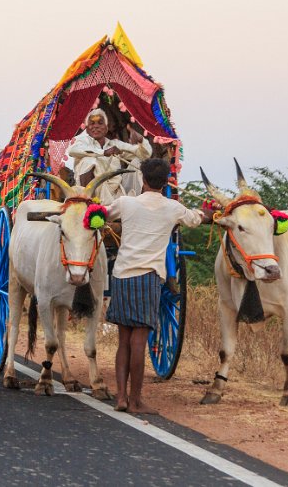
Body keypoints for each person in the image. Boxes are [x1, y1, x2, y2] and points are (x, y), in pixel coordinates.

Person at [104, 158, 206, 415]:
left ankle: (121, 398)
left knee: (123, 340)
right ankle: (136, 401)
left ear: (142, 179)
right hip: (148, 278)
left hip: (122, 276)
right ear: (166, 182)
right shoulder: (173, 208)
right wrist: (207, 212)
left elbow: (101, 214)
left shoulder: (126, 203)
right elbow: (195, 219)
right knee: (139, 341)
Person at [65, 108, 151, 202]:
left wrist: (141, 140)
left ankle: (146, 202)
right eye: (92, 123)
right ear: (87, 129)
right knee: (88, 161)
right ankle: (88, 203)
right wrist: (103, 153)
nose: (96, 126)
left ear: (106, 128)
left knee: (138, 162)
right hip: (90, 195)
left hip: (114, 195)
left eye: (100, 123)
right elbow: (72, 151)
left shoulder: (115, 145)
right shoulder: (82, 141)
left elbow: (144, 155)